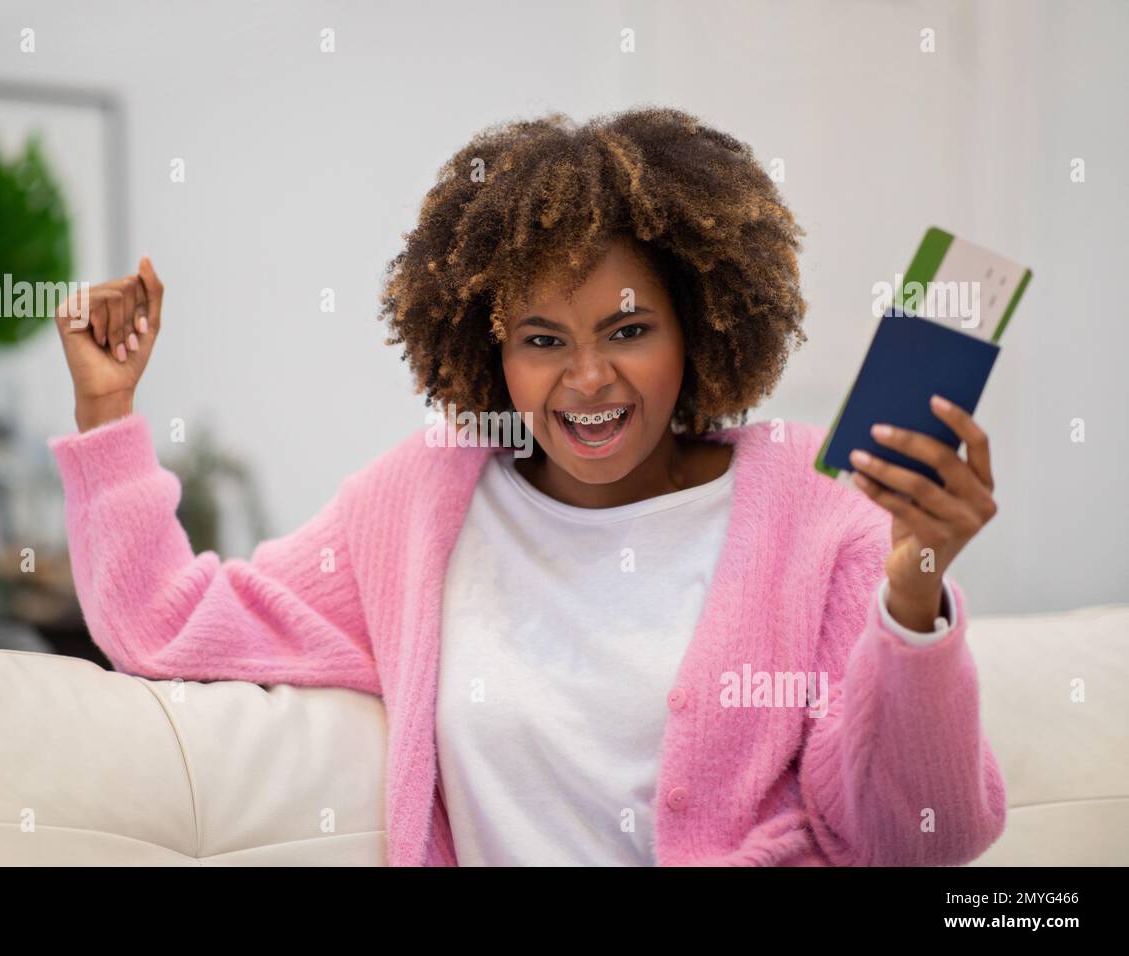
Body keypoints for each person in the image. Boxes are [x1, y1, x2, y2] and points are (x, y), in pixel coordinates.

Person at [50, 107, 1006, 866]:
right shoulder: (419, 510)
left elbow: (916, 839)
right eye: (542, 340)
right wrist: (108, 411)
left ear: (702, 326)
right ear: (487, 352)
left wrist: (914, 587)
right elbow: (164, 622)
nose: (587, 381)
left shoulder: (817, 505)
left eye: (629, 330)